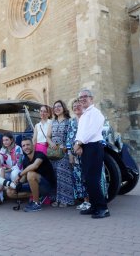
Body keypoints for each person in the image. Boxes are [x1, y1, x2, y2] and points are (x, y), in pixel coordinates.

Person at [73, 89, 110, 219]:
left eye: (85, 97)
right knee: (88, 179)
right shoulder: (83, 115)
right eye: (80, 97)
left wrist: (80, 143)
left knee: (93, 179)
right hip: (86, 147)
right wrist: (78, 142)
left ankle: (102, 208)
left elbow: (92, 131)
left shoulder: (96, 113)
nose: (82, 99)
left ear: (91, 98)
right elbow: (81, 132)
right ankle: (94, 206)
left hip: (94, 146)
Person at [6, 137, 56, 212]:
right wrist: (17, 184)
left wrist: (19, 175)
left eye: (28, 145)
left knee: (31, 174)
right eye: (24, 146)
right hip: (34, 186)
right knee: (9, 191)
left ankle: (36, 203)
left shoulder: (40, 155)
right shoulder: (25, 160)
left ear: (33, 145)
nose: (26, 147)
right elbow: (25, 177)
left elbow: (34, 166)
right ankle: (38, 195)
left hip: (47, 187)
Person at [46, 100, 75, 207]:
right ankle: (56, 199)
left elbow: (71, 136)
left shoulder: (69, 121)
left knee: (64, 175)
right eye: (55, 107)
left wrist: (66, 147)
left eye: (59, 106)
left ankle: (66, 200)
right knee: (55, 175)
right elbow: (48, 136)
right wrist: (51, 143)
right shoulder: (52, 122)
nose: (57, 108)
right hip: (53, 152)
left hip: (64, 152)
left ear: (63, 108)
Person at [66, 99, 90, 210]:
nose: (76, 107)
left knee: (89, 176)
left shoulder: (88, 118)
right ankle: (85, 201)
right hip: (75, 154)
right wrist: (70, 154)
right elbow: (69, 138)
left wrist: (81, 146)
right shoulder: (71, 121)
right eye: (74, 106)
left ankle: (94, 200)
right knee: (79, 178)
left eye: (78, 105)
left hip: (88, 153)